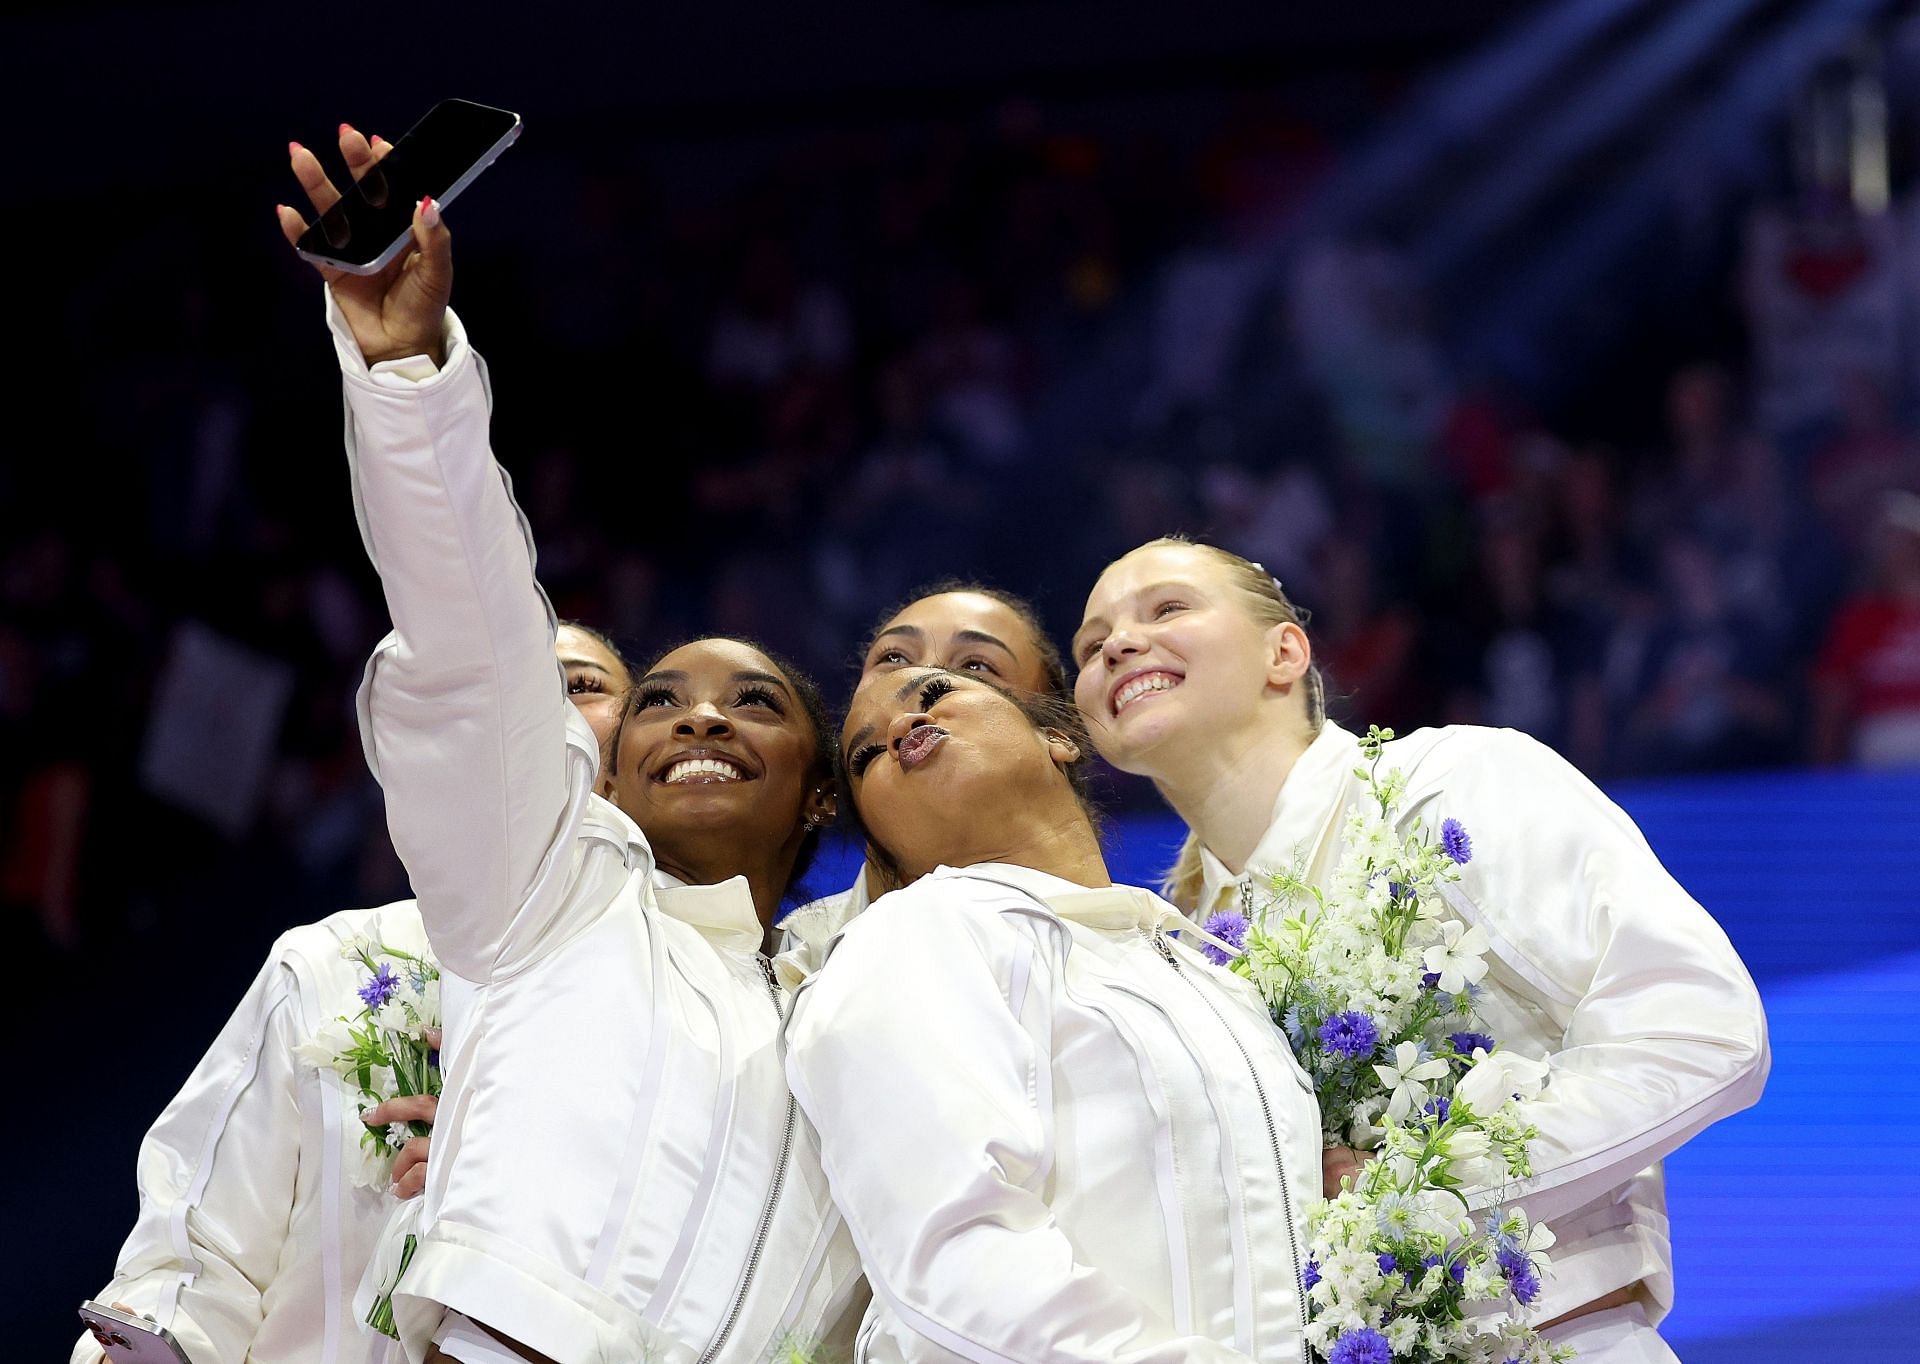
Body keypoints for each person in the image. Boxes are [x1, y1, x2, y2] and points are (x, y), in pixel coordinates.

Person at [279, 130, 862, 1364]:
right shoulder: (550, 890)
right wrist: (410, 384)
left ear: (820, 791)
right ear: (599, 766)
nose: (701, 715)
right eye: (656, 701)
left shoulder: (860, 996)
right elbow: (476, 641)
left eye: (756, 703)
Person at [1072, 535, 1771, 1363]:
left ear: (1284, 652)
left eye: (1167, 608)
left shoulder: (1449, 786)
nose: (1117, 644)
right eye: (1089, 646)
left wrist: (1416, 1191)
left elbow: (1700, 1029)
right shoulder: (1173, 949)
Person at [70, 626, 634, 1364]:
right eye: (503, 688)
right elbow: (198, 1259)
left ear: (639, 749)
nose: (540, 707)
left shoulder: (702, 1013)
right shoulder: (336, 963)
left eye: (579, 686)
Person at [785, 665, 1319, 1363]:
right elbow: (954, 1262)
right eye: (865, 758)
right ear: (883, 851)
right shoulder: (910, 938)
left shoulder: (1209, 975)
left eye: (936, 694)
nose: (898, 727)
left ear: (1056, 738)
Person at [779, 580, 1066, 958]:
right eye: (893, 659)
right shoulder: (794, 957)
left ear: (1056, 735)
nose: (923, 676)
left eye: (976, 665)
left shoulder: (1140, 942)